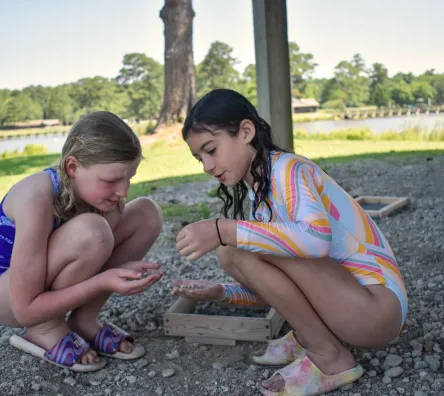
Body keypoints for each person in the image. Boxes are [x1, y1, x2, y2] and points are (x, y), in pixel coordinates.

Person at [172, 89, 408, 396]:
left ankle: (329, 356)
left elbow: (317, 240)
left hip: (377, 310)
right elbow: (281, 289)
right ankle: (309, 337)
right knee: (232, 254)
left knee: (236, 249)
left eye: (211, 150)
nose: (206, 165)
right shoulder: (261, 191)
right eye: (198, 157)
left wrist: (224, 229)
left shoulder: (288, 169)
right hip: (351, 305)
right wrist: (222, 292)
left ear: (246, 132)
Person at [0, 111, 164, 372]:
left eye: (128, 178)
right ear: (72, 167)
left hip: (37, 287)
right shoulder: (37, 196)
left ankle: (84, 319)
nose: (123, 191)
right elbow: (25, 309)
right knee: (92, 231)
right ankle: (46, 327)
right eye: (111, 180)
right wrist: (103, 281)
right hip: (10, 299)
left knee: (146, 212)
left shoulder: (100, 196)